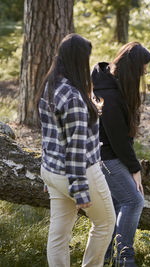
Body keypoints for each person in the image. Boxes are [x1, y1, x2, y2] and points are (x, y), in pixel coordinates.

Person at [37, 33, 115, 267]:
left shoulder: (51, 86)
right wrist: (80, 191)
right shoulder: (73, 98)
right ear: (78, 60)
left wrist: (49, 175)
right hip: (79, 172)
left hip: (53, 171)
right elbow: (75, 150)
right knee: (106, 222)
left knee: (59, 234)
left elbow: (49, 136)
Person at [91, 41, 150, 266]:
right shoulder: (110, 95)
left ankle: (105, 256)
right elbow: (116, 138)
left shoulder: (111, 83)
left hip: (109, 153)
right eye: (142, 68)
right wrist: (134, 168)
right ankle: (124, 258)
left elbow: (122, 138)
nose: (145, 72)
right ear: (132, 69)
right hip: (104, 157)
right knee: (134, 200)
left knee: (116, 205)